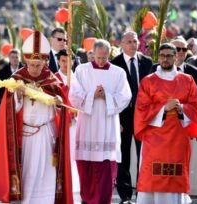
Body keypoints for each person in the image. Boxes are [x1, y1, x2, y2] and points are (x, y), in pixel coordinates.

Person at [0, 30, 73, 204]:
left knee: (46, 171)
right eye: (32, 65)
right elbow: (8, 109)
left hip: (46, 134)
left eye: (38, 65)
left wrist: (59, 102)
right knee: (28, 172)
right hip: (25, 136)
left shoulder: (51, 80)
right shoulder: (17, 79)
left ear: (45, 63)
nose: (35, 69)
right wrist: (17, 95)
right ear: (26, 61)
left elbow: (62, 107)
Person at [134, 43, 197, 204]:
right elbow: (141, 109)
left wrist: (182, 108)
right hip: (154, 139)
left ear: (176, 57)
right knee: (152, 180)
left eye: (168, 56)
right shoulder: (148, 81)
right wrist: (163, 109)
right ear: (158, 57)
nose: (165, 59)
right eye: (162, 56)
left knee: (174, 183)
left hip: (178, 138)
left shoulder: (187, 80)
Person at [69, 39, 132, 204]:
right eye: (98, 57)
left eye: (104, 57)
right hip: (87, 123)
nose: (101, 61)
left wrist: (107, 97)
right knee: (86, 165)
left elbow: (126, 96)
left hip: (107, 124)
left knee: (105, 166)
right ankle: (87, 198)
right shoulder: (82, 70)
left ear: (109, 54)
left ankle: (103, 200)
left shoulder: (118, 73)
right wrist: (92, 96)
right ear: (92, 54)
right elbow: (73, 95)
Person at [110, 31, 153, 204]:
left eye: (135, 41)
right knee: (124, 157)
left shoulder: (148, 62)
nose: (133, 44)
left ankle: (142, 193)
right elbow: (112, 93)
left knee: (144, 156)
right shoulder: (115, 64)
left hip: (144, 118)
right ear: (121, 44)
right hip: (123, 118)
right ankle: (125, 195)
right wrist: (117, 120)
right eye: (129, 41)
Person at [54, 49, 80, 197]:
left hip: (78, 123)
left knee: (77, 154)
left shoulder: (79, 78)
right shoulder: (53, 79)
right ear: (58, 61)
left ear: (74, 61)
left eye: (69, 61)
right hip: (61, 124)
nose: (65, 64)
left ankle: (76, 183)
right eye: (63, 61)